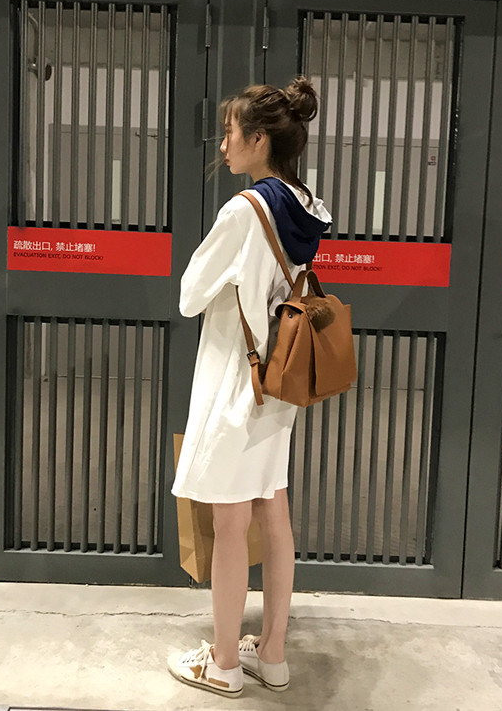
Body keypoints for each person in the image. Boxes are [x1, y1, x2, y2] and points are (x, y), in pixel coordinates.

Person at [167, 76, 331, 698]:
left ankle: (224, 665)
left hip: (238, 382)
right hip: (280, 382)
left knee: (231, 522)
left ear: (260, 139)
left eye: (230, 132)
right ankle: (272, 655)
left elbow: (189, 296)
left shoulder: (245, 211)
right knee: (274, 511)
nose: (224, 144)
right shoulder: (306, 205)